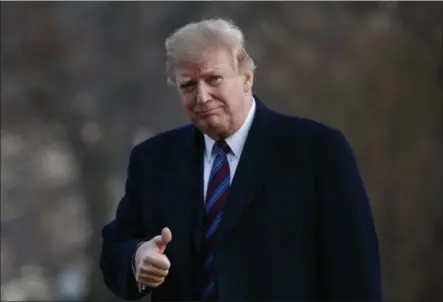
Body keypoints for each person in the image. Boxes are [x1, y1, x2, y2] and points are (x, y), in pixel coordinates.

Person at [100, 18, 382, 301]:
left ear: (246, 78)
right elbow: (115, 248)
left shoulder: (317, 151)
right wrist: (138, 258)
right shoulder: (154, 161)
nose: (202, 96)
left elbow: (355, 272)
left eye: (214, 79)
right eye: (188, 85)